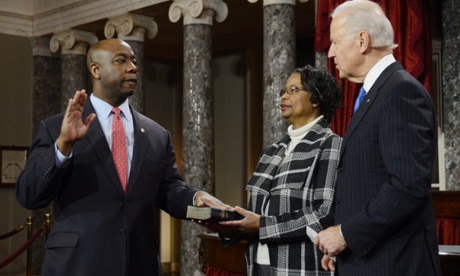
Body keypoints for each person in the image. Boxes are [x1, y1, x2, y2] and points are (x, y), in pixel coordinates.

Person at [15, 38, 230, 275]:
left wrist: (196, 197)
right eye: (121, 60)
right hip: (77, 264)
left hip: (138, 263)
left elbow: (169, 189)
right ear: (95, 69)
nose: (133, 67)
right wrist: (63, 146)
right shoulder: (57, 128)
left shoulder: (157, 135)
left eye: (134, 61)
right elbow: (29, 195)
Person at [314, 1, 442, 275]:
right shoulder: (375, 93)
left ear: (362, 41)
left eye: (336, 41)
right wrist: (345, 247)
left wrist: (346, 234)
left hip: (394, 264)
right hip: (368, 259)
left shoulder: (400, 92)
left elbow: (407, 187)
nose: (331, 52)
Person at [215, 65, 342, 275]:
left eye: (294, 90)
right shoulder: (271, 151)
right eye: (283, 91)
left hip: (299, 268)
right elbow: (255, 215)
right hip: (257, 264)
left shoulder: (330, 145)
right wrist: (230, 225)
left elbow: (324, 214)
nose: (284, 96)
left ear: (316, 99)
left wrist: (262, 225)